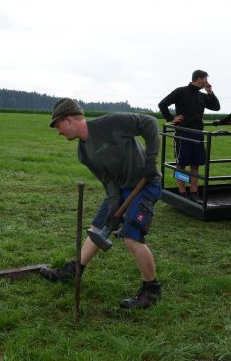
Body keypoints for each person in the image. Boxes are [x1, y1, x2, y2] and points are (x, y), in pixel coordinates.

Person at [40, 98, 163, 309]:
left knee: (132, 238)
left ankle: (151, 290)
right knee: (98, 227)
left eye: (58, 125)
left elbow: (150, 122)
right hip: (121, 188)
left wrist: (150, 161)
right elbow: (108, 181)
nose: (59, 132)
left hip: (145, 184)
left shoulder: (110, 124)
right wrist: (114, 208)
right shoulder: (83, 152)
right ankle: (74, 271)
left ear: (68, 120)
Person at [158, 70, 220, 200]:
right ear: (199, 79)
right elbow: (162, 104)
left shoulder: (201, 95)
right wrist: (171, 118)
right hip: (183, 133)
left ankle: (193, 192)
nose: (207, 82)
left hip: (198, 133)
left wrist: (210, 92)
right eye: (205, 79)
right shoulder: (180, 91)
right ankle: (182, 192)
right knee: (181, 164)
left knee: (195, 164)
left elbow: (216, 107)